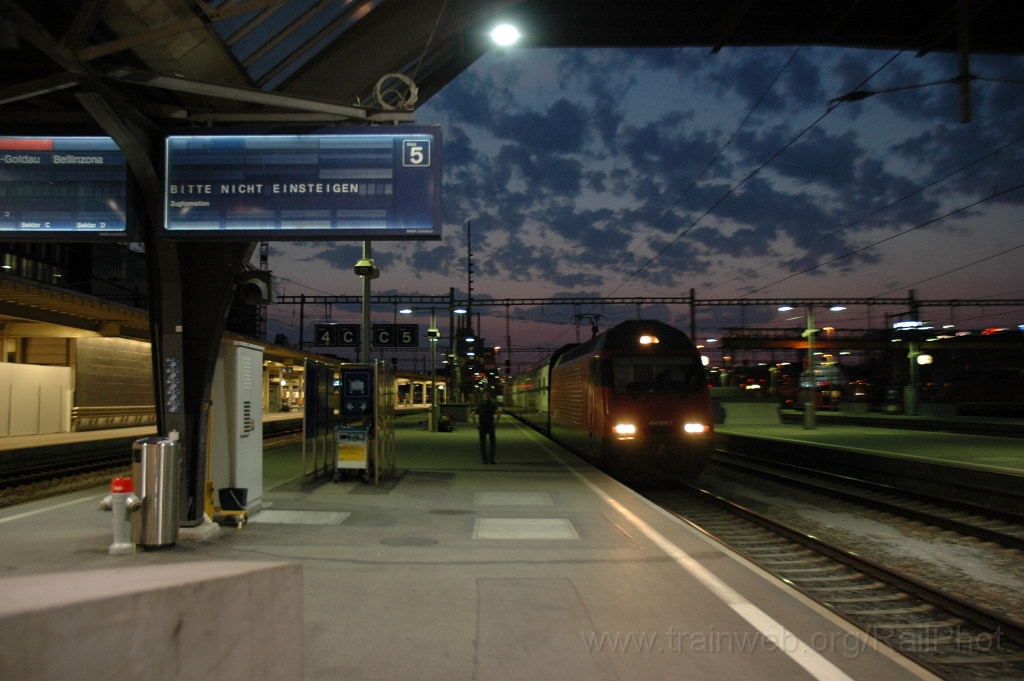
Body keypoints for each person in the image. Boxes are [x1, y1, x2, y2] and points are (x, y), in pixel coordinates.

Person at [472, 393, 501, 464]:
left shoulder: (480, 405)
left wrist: (475, 424)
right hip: (491, 425)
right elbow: (498, 413)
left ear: (484, 398)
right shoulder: (493, 404)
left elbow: (472, 415)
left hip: (482, 426)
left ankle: (484, 460)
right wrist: (496, 423)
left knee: (483, 443)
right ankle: (491, 459)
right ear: (490, 397)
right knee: (492, 442)